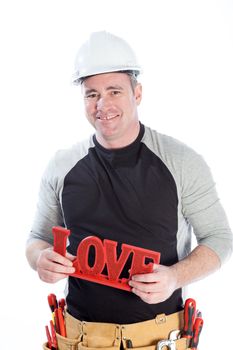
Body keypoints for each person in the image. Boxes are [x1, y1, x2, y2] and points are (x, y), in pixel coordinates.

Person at [26, 31, 232, 350]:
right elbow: (36, 238)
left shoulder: (181, 162)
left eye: (114, 91)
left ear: (137, 93)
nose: (103, 105)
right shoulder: (61, 165)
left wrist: (175, 277)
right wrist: (40, 258)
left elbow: (219, 237)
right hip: (79, 338)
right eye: (91, 94)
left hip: (160, 338)